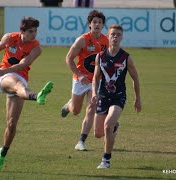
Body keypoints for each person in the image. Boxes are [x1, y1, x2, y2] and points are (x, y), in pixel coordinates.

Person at [0, 17, 54, 172]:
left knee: (12, 124)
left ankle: (2, 154)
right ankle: (36, 96)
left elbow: (24, 64)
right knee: (16, 84)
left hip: (17, 76)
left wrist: (5, 70)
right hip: (3, 78)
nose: (33, 34)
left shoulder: (37, 48)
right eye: (30, 31)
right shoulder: (10, 38)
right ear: (22, 31)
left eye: (35, 31)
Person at [91, 24, 142, 169]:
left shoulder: (126, 58)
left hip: (118, 97)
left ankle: (106, 160)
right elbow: (95, 78)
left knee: (107, 125)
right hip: (103, 96)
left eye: (118, 34)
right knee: (98, 134)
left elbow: (135, 79)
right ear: (108, 36)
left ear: (122, 37)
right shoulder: (100, 57)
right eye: (113, 34)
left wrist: (138, 99)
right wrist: (94, 93)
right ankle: (115, 127)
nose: (115, 37)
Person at [60, 10, 108, 151]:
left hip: (96, 82)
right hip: (80, 80)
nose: (97, 24)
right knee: (76, 110)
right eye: (94, 22)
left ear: (103, 25)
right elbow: (68, 59)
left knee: (91, 109)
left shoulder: (106, 41)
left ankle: (81, 141)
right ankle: (69, 105)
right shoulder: (82, 40)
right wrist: (80, 75)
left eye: (100, 22)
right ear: (89, 24)